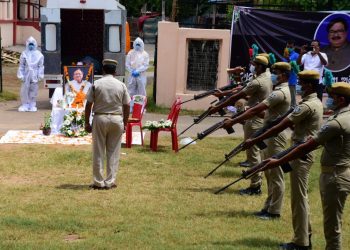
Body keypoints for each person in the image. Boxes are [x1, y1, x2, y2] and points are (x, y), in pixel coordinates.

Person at [262, 82, 350, 250]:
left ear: (340, 99)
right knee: (332, 224)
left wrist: (278, 161)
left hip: (335, 176)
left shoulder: (337, 122)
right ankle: (303, 239)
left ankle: (302, 242)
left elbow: (306, 146)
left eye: (331, 97)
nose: (328, 100)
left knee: (332, 228)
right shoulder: (342, 117)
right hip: (336, 173)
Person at [243, 70, 323, 249]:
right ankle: (304, 236)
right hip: (300, 151)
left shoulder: (307, 105)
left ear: (309, 85)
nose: (300, 85)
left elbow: (281, 126)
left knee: (299, 199)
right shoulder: (314, 102)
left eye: (302, 82)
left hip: (300, 153)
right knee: (300, 198)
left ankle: (301, 242)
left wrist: (255, 139)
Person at [223, 62, 291, 218]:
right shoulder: (278, 89)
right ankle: (268, 206)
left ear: (285, 75)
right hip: (269, 132)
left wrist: (233, 121)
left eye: (277, 73)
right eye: (274, 72)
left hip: (275, 136)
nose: (274, 75)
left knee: (276, 174)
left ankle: (274, 211)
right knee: (269, 172)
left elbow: (257, 109)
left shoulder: (280, 93)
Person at [209, 56, 272, 191]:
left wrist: (218, 106)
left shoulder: (258, 81)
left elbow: (236, 96)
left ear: (260, 67)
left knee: (253, 154)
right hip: (259, 117)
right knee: (256, 152)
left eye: (254, 64)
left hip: (254, 120)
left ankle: (255, 186)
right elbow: (241, 92)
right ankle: (257, 182)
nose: (252, 66)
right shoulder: (267, 77)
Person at [85, 59, 131, 190]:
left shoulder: (96, 84)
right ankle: (110, 181)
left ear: (103, 70)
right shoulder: (121, 85)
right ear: (115, 72)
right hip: (116, 119)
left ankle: (98, 182)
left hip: (100, 118)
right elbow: (127, 105)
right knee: (114, 151)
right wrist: (125, 122)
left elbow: (88, 104)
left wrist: (86, 122)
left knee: (98, 151)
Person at [17, 36, 44, 112]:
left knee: (33, 89)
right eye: (30, 44)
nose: (31, 46)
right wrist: (21, 75)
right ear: (27, 44)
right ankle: (25, 104)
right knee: (24, 89)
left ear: (35, 44)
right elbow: (21, 65)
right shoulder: (24, 53)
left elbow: (40, 66)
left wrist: (40, 75)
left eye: (32, 44)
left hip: (34, 74)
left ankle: (32, 104)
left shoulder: (39, 55)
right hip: (26, 73)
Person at [283, 40, 300, 107]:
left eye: (291, 47)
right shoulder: (285, 55)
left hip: (292, 79)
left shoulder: (296, 55)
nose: (289, 48)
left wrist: (288, 59)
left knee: (292, 98)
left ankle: (293, 109)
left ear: (294, 47)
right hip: (284, 79)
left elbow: (295, 67)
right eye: (287, 46)